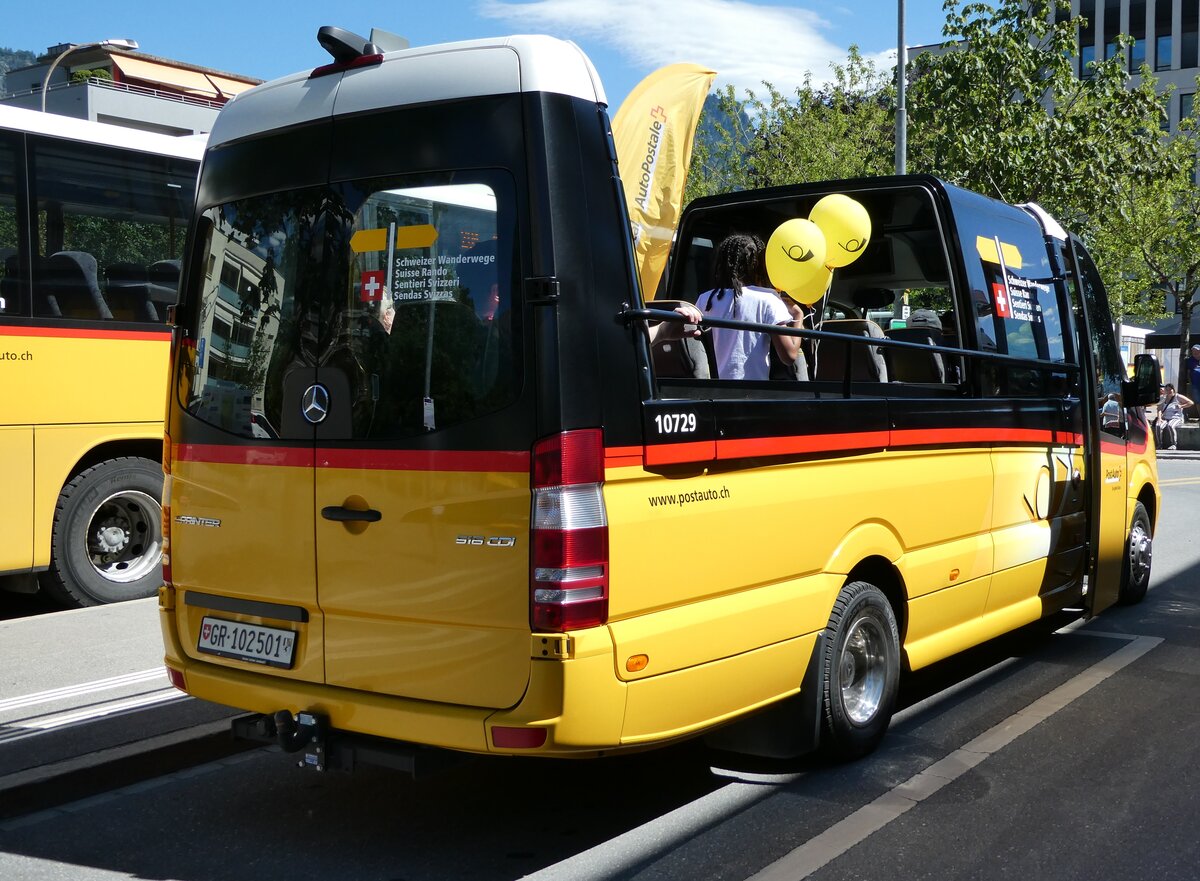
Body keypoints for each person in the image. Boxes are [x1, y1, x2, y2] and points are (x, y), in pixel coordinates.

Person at [698, 234, 800, 380]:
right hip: (753, 393)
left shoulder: (706, 299)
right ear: (756, 264)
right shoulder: (768, 299)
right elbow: (789, 356)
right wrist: (798, 317)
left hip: (716, 392)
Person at [1157, 384, 1193, 450]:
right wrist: (1159, 418)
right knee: (1158, 425)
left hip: (1176, 417)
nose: (1169, 391)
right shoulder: (1163, 398)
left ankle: (1173, 444)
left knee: (1170, 425)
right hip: (1165, 418)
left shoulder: (1178, 397)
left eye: (1170, 389)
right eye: (1167, 389)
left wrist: (1181, 406)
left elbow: (1190, 402)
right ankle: (1160, 444)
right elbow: (1159, 409)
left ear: (1173, 389)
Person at [1187, 344, 1200, 417]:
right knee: (1198, 401)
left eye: (1196, 351)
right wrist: (1190, 382)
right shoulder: (1190, 360)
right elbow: (1188, 372)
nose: (1194, 352)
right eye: (1193, 351)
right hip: (1195, 385)